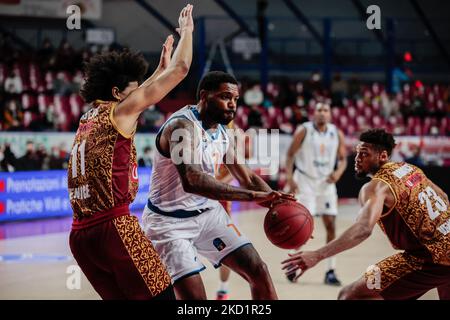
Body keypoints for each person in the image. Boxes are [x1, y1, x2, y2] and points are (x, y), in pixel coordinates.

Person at [67, 4, 194, 300]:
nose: (140, 97)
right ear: (116, 94)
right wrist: (187, 31)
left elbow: (138, 96)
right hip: (115, 227)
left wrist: (156, 73)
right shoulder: (118, 113)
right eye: (133, 90)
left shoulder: (89, 118)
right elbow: (182, 69)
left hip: (81, 236)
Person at [142, 71, 294, 300]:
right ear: (204, 96)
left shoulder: (223, 133)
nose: (232, 104)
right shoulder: (182, 126)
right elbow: (193, 180)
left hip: (208, 214)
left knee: (259, 271)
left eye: (235, 99)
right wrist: (252, 196)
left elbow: (247, 177)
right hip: (169, 223)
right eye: (225, 97)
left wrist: (279, 203)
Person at [282, 129, 450, 300]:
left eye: (364, 154)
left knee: (349, 296)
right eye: (357, 153)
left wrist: (317, 255)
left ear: (383, 156)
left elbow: (363, 229)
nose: (357, 158)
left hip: (428, 258)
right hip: (442, 251)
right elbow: (443, 195)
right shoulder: (410, 168)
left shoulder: (376, 187)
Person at [285, 102, 347, 285]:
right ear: (314, 113)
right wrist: (290, 179)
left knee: (331, 226)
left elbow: (343, 160)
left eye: (325, 110)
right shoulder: (304, 130)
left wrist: (338, 172)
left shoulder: (337, 133)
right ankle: (293, 265)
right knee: (302, 228)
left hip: (326, 184)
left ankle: (330, 270)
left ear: (330, 114)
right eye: (319, 110)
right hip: (305, 182)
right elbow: (289, 155)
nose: (322, 113)